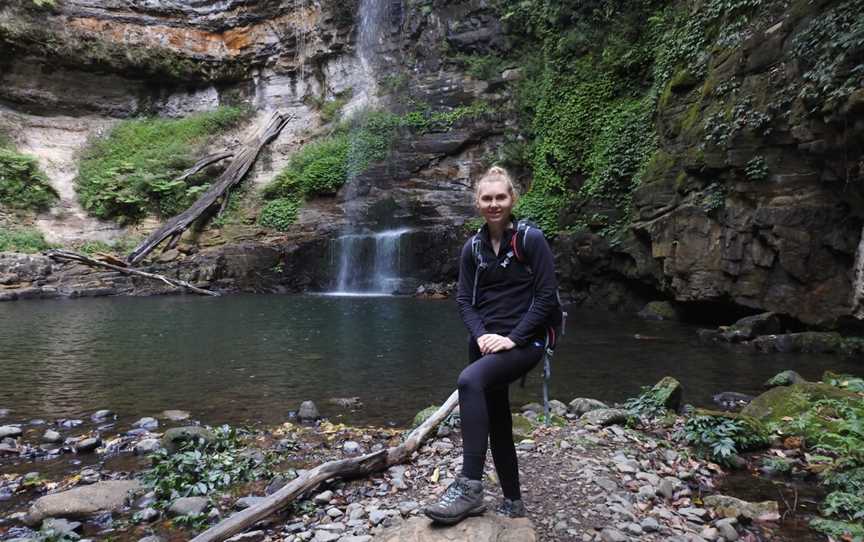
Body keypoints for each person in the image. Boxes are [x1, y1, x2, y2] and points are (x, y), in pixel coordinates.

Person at [423, 166, 560, 525]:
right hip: (486, 342)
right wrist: (482, 334)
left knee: (469, 381)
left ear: (513, 199)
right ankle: (513, 501)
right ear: (477, 203)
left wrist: (512, 338)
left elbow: (547, 298)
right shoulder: (473, 247)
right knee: (498, 418)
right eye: (487, 198)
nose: (494, 204)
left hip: (526, 341)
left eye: (501, 197)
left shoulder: (531, 240)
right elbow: (465, 301)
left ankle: (469, 487)